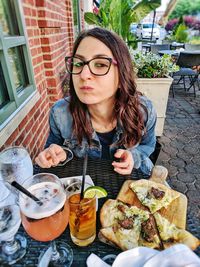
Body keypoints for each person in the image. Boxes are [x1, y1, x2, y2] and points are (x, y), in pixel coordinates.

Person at [35, 27, 157, 175]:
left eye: (100, 64)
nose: (84, 75)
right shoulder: (60, 113)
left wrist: (134, 156)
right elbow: (57, 150)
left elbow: (147, 146)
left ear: (122, 74)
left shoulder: (144, 110)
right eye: (78, 63)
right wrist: (55, 155)